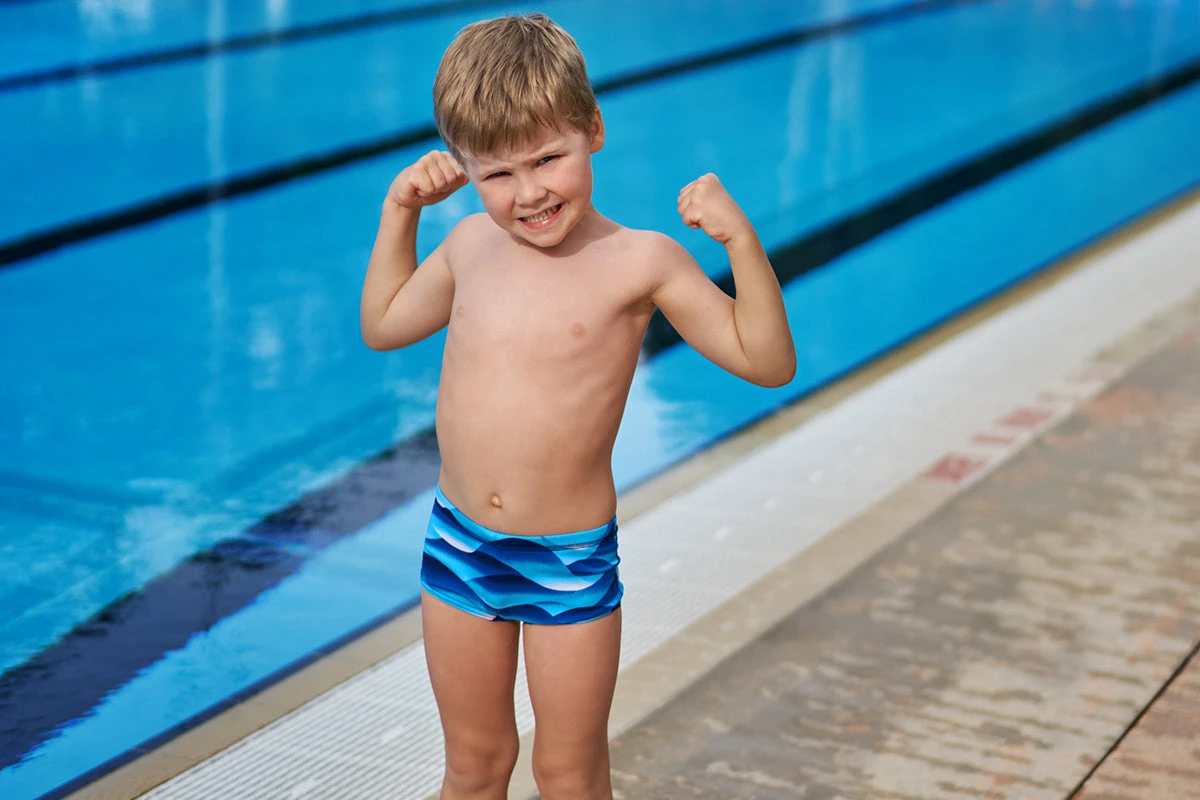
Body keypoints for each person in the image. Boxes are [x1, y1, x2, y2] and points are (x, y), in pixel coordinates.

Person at [359, 12, 795, 799]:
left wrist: (740, 244)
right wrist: (402, 214)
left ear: (592, 129)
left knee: (568, 775)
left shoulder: (642, 262)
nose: (528, 194)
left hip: (568, 562)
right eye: (496, 176)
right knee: (473, 766)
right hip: (458, 543)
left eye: (548, 159)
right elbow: (385, 323)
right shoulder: (466, 248)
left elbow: (766, 362)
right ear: (464, 168)